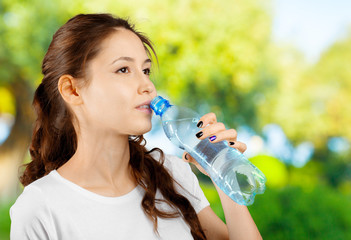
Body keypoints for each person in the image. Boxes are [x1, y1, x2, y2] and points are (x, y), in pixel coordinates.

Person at [9, 13, 262, 240]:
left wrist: (223, 172)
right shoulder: (40, 207)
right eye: (123, 69)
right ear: (72, 90)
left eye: (146, 70)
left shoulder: (172, 175)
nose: (148, 86)